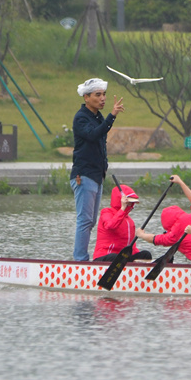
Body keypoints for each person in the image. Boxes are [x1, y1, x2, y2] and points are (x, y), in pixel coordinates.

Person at [70, 77, 124, 261]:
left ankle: (84, 258)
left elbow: (101, 135)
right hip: (83, 175)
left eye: (104, 94)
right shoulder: (81, 117)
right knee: (85, 220)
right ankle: (80, 260)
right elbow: (93, 134)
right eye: (98, 95)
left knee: (91, 221)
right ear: (86, 97)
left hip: (96, 175)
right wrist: (112, 116)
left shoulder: (96, 116)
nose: (103, 98)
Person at [92, 184, 151, 262]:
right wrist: (122, 208)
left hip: (122, 258)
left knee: (146, 254)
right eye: (128, 202)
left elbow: (132, 246)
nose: (131, 205)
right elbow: (110, 226)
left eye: (131, 203)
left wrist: (138, 258)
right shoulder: (106, 212)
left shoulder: (130, 221)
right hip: (104, 256)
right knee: (115, 257)